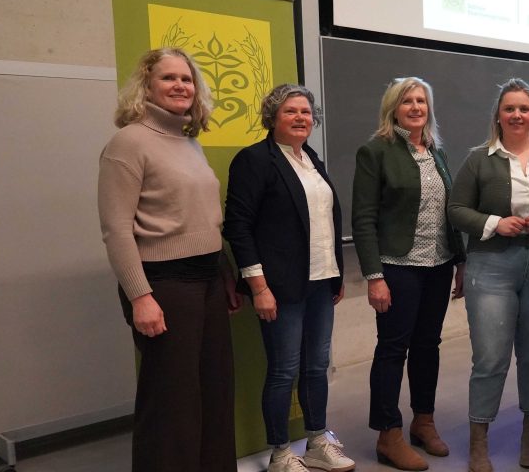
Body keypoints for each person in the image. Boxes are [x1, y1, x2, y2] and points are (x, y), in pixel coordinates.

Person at [97, 47, 242, 472]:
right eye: (168, 77)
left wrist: (224, 272)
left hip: (208, 280)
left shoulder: (189, 141)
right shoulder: (128, 143)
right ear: (146, 86)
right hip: (163, 285)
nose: (180, 85)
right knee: (170, 402)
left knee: (215, 392)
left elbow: (203, 218)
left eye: (186, 78)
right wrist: (140, 296)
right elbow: (116, 229)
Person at [222, 84, 354, 472]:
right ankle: (280, 453)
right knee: (283, 370)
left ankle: (316, 442)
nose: (300, 118)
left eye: (306, 112)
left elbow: (325, 221)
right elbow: (238, 227)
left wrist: (335, 273)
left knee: (316, 366)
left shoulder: (311, 159)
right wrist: (258, 287)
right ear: (272, 118)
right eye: (290, 111)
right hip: (280, 287)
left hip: (321, 280)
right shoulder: (254, 160)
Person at [352, 77, 466, 471]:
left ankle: (423, 421)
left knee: (427, 346)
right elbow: (363, 218)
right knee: (392, 349)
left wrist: (460, 262)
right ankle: (388, 435)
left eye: (421, 101)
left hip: (438, 265)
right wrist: (374, 276)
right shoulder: (376, 151)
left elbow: (450, 213)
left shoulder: (436, 153)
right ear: (393, 109)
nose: (416, 107)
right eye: (407, 101)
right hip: (397, 268)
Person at [448, 78, 529, 472]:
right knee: (491, 358)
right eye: (509, 108)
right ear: (498, 115)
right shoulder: (479, 159)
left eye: (524, 108)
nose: (517, 115)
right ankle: (479, 444)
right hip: (491, 266)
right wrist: (495, 222)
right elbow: (456, 209)